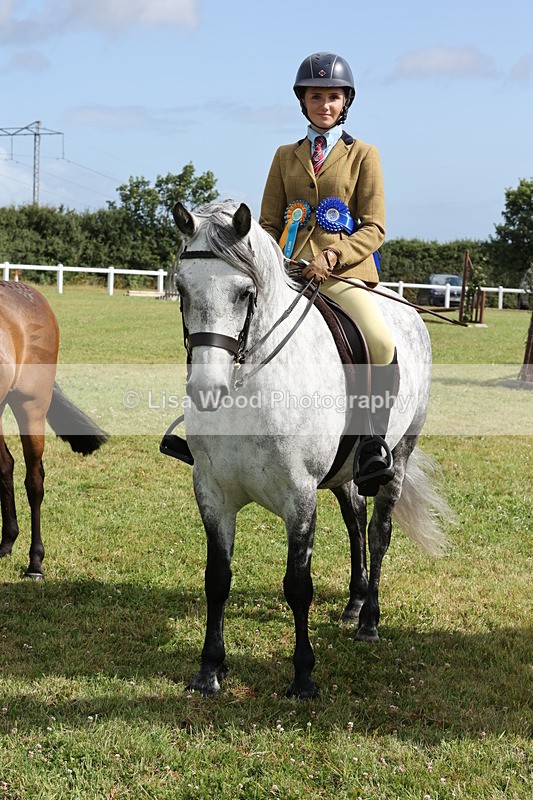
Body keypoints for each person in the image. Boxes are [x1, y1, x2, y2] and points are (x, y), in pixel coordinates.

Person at [259, 51, 397, 496]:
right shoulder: (284, 156)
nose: (324, 104)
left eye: (332, 97)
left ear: (345, 102)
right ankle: (213, 428)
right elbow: (268, 225)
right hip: (290, 272)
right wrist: (273, 261)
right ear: (303, 101)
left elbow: (375, 226)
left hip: (343, 276)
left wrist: (334, 257)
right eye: (315, 96)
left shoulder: (364, 155)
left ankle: (373, 440)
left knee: (380, 340)